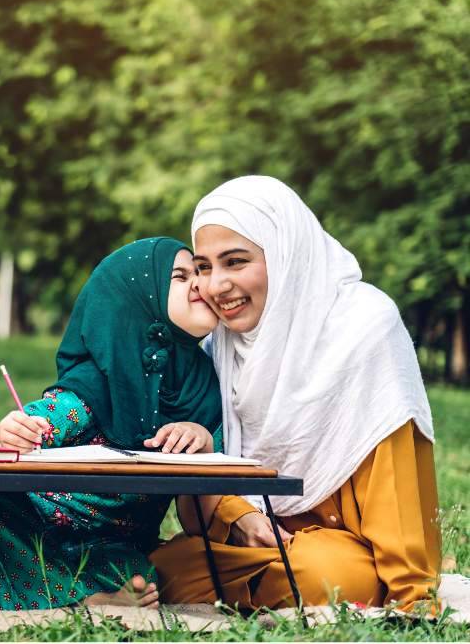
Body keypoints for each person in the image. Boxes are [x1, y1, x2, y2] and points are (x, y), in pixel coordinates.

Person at [151, 176, 440, 612]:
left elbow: (395, 476)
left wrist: (413, 595)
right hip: (249, 543)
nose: (215, 286)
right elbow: (206, 494)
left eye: (235, 261)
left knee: (333, 576)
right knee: (158, 566)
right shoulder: (221, 345)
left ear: (285, 254)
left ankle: (239, 586)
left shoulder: (363, 325)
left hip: (348, 546)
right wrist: (243, 517)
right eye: (205, 267)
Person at [0, 236, 223, 610]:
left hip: (113, 549)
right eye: (180, 276)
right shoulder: (97, 384)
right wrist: (17, 428)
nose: (199, 282)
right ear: (139, 301)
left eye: (199, 271)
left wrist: (205, 441)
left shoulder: (207, 387)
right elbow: (49, 417)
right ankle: (87, 599)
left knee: (145, 575)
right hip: (24, 531)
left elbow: (225, 466)